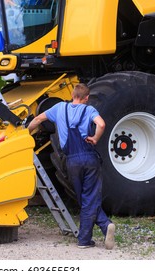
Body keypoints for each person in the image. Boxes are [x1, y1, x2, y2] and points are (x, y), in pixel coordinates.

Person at [28, 83, 115, 249]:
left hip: (71, 161)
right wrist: (95, 138)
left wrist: (26, 133)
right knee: (89, 197)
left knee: (83, 198)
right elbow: (101, 124)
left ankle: (89, 237)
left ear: (73, 95)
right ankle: (101, 227)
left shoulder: (60, 107)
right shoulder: (89, 110)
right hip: (89, 158)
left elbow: (38, 119)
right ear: (86, 98)